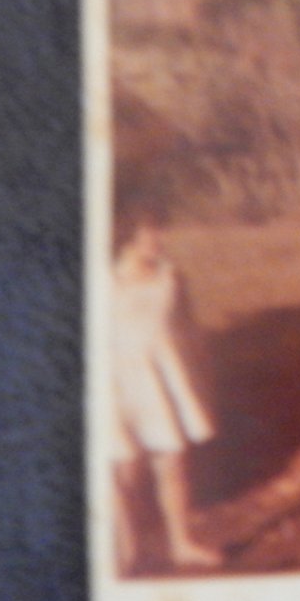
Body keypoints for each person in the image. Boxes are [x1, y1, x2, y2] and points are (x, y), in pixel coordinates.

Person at [110, 197, 221, 571]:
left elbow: (189, 330)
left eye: (158, 230)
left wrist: (199, 373)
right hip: (116, 382)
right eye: (147, 232)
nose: (156, 239)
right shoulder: (103, 278)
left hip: (161, 377)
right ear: (127, 237)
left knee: (172, 461)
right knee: (123, 468)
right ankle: (128, 550)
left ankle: (181, 544)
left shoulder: (171, 276)